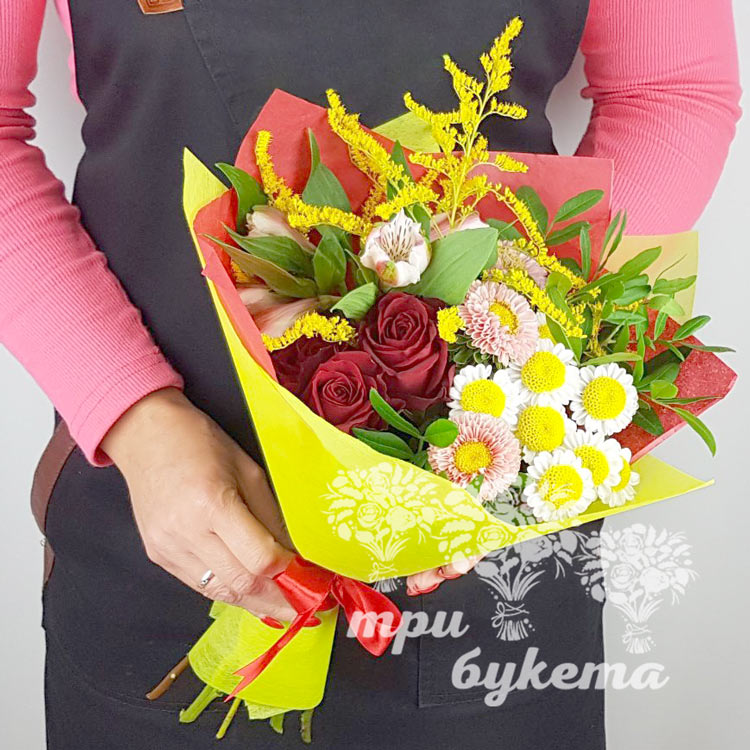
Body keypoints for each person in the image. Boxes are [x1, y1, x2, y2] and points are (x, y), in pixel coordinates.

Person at [0, 1, 741, 748]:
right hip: (158, 516)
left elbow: (670, 88)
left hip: (486, 529)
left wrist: (529, 375)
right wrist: (132, 413)